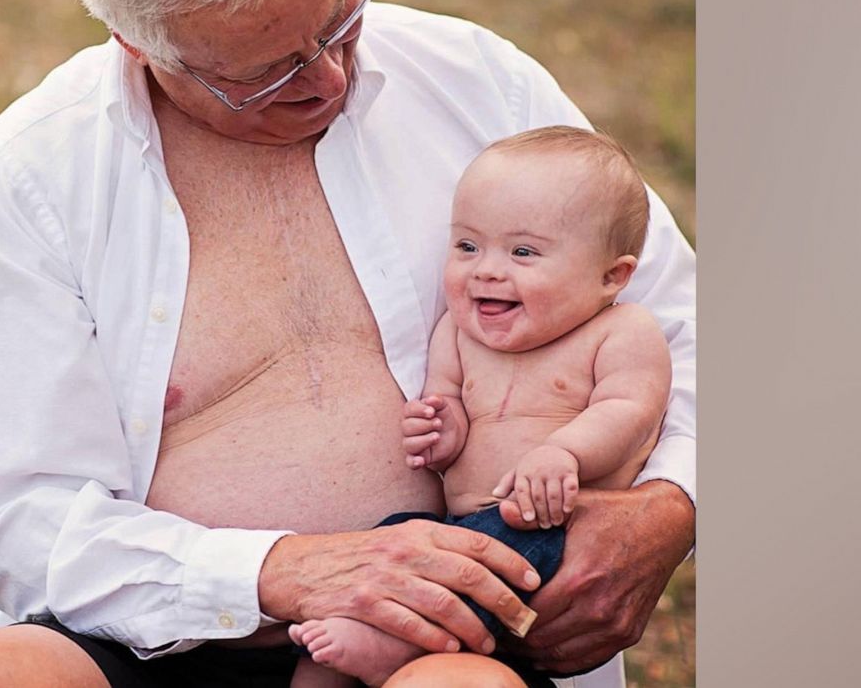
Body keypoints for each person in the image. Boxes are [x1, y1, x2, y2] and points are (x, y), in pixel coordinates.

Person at [0, 0, 696, 686]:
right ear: (139, 45)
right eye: (264, 72)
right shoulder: (26, 179)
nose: (327, 78)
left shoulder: (477, 83)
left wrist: (670, 506)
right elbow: (20, 519)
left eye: (340, 21)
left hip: (442, 635)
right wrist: (281, 572)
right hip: (152, 632)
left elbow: (682, 320)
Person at [288, 127, 673, 688]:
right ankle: (349, 649)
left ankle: (395, 646)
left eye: (523, 252)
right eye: (468, 246)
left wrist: (564, 453)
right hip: (454, 525)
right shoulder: (460, 334)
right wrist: (440, 430)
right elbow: (448, 401)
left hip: (549, 530)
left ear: (611, 276)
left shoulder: (621, 331)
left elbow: (630, 410)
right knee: (389, 548)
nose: (486, 270)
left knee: (466, 573)